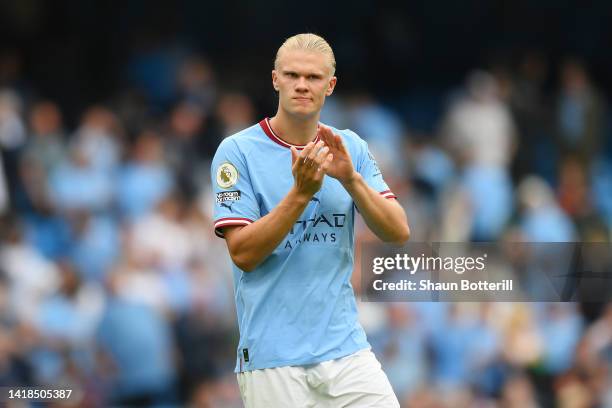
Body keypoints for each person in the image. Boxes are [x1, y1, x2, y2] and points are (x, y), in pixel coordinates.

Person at [211, 33, 409, 407]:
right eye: (292, 75)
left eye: (314, 77)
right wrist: (300, 194)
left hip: (346, 349)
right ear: (275, 79)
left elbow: (398, 232)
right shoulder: (236, 152)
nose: (302, 85)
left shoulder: (351, 147)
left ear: (330, 86)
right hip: (273, 358)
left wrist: (351, 179)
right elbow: (243, 253)